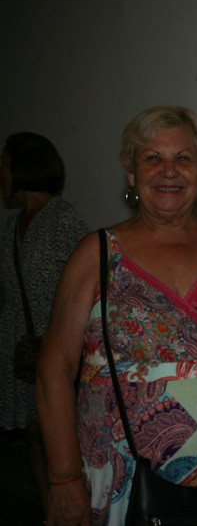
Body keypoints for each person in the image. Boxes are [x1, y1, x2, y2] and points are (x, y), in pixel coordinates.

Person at [35, 106, 197, 525]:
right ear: (131, 174)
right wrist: (63, 477)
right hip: (118, 475)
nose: (169, 171)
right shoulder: (97, 253)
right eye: (152, 158)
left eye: (183, 158)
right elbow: (54, 367)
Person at [0, 132, 87, 513]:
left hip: (56, 346)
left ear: (24, 167)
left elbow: (87, 285)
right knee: (34, 435)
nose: (0, 172)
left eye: (4, 164)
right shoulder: (12, 225)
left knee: (60, 435)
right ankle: (51, 511)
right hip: (20, 347)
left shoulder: (62, 219)